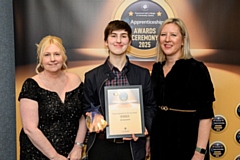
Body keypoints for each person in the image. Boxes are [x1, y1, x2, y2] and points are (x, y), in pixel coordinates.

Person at [82, 20, 156, 160]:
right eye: (113, 36)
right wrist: (94, 116)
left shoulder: (143, 74)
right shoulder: (92, 76)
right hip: (102, 146)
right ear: (106, 41)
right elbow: (87, 106)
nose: (118, 41)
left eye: (123, 36)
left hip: (132, 147)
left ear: (129, 41)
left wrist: (143, 126)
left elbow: (151, 106)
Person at [150, 18, 215, 160]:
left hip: (187, 140)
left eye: (173, 35)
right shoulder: (157, 69)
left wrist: (199, 152)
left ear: (183, 40)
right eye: (163, 34)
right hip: (159, 140)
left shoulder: (197, 69)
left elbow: (206, 115)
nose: (167, 39)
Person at [18, 35, 87, 160]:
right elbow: (30, 128)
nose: (53, 59)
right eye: (47, 55)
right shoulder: (31, 85)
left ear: (63, 57)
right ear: (40, 58)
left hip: (71, 154)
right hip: (38, 154)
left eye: (57, 54)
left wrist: (78, 146)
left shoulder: (76, 80)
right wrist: (54, 156)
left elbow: (82, 116)